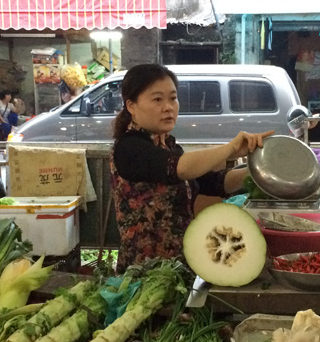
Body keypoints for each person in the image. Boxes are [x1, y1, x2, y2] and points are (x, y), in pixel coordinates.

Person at [110, 63, 272, 272]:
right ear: (131, 106)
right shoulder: (129, 147)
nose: (168, 107)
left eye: (173, 98)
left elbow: (212, 183)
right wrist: (230, 148)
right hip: (145, 270)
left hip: (179, 266)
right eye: (157, 99)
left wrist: (259, 167)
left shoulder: (168, 145)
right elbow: (181, 168)